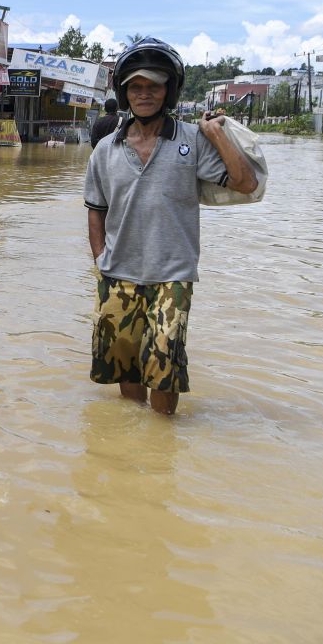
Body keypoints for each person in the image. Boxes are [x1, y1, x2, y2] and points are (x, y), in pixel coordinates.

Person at [83, 37, 257, 415]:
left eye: (154, 86)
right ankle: (134, 438)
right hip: (118, 273)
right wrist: (100, 260)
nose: (144, 94)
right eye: (136, 87)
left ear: (168, 91)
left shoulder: (192, 141)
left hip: (173, 275)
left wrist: (217, 135)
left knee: (164, 366)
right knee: (124, 366)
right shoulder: (105, 150)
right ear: (125, 93)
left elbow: (246, 184)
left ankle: (163, 438)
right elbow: (95, 209)